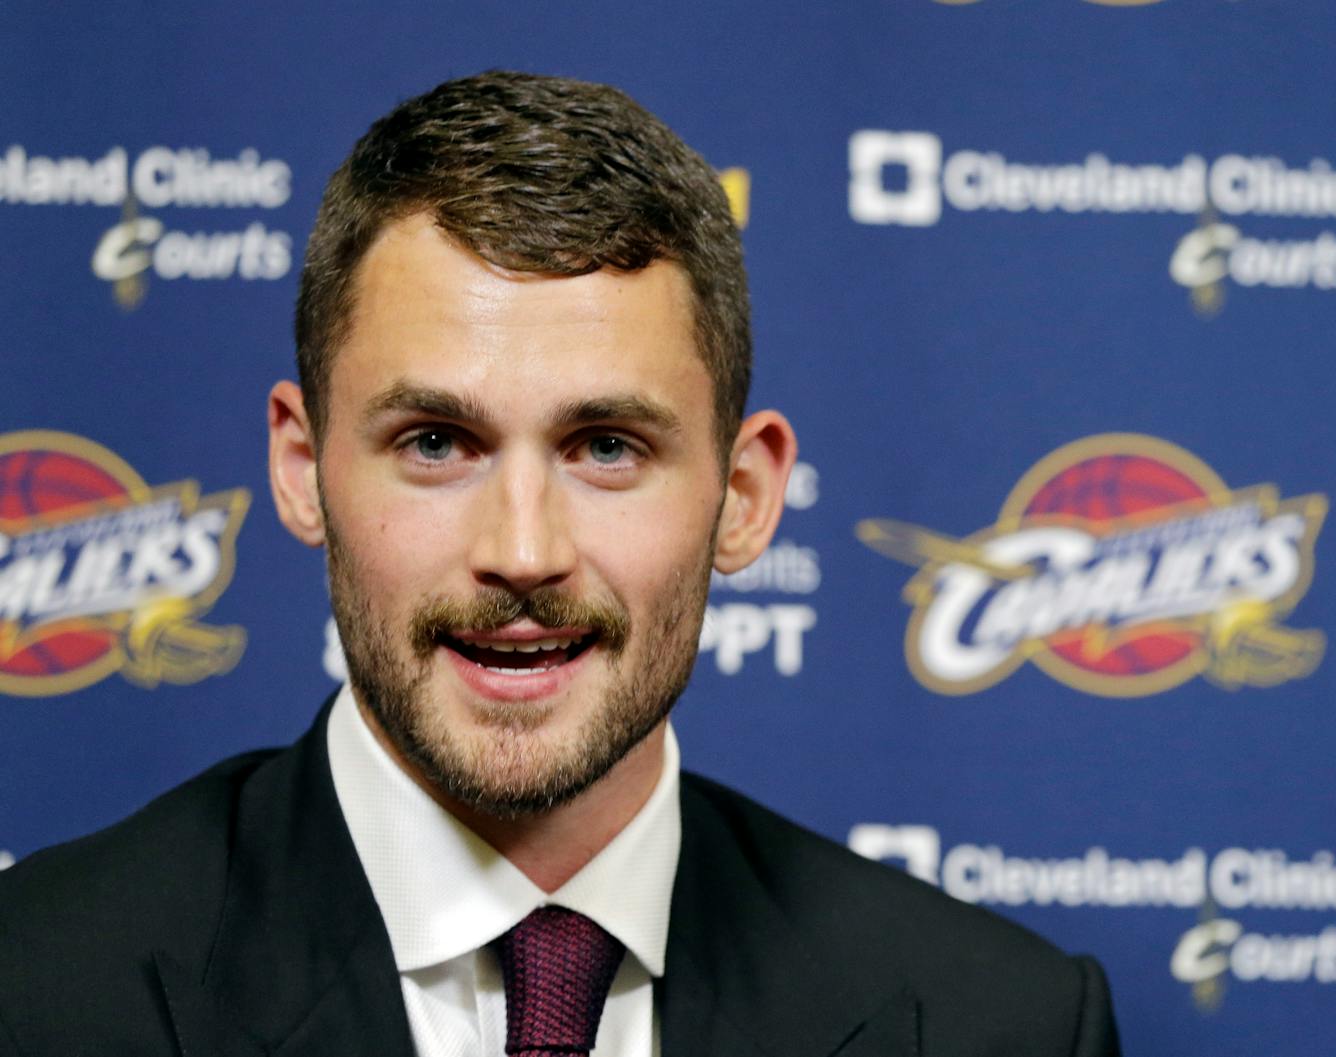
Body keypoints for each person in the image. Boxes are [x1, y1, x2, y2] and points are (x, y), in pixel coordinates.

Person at [0, 72, 1122, 1057]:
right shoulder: (37, 990)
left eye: (606, 448)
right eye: (434, 443)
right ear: (300, 471)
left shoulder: (997, 1021)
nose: (522, 552)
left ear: (744, 497)